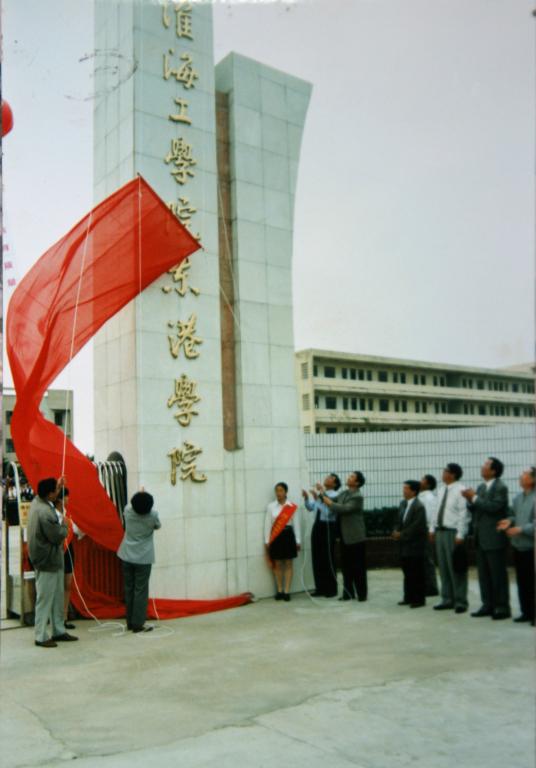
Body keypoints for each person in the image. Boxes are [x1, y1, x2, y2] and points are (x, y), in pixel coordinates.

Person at [27, 476, 78, 647]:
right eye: (56, 491)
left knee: (56, 596)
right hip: (47, 560)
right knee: (45, 598)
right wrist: (65, 524)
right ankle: (40, 635)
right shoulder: (46, 513)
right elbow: (58, 536)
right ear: (50, 495)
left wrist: (58, 483)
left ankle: (58, 630)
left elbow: (47, 492)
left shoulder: (37, 502)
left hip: (50, 559)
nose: (59, 493)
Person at [462, 457, 511, 620]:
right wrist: (470, 500)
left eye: (485, 465)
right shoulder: (482, 486)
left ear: (493, 471)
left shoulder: (501, 487)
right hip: (481, 538)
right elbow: (478, 508)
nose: (482, 467)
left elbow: (494, 507)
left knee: (497, 574)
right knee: (483, 574)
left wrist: (474, 498)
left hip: (494, 537)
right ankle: (487, 604)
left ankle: (502, 607)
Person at [117, 490, 161, 632]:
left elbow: (132, 504)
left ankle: (129, 621)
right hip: (143, 557)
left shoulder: (128, 511)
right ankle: (138, 623)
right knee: (140, 590)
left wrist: (140, 494)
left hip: (127, 554)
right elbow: (158, 526)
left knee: (129, 588)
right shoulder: (153, 515)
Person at [429, 463, 469, 614]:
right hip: (440, 532)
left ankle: (460, 601)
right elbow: (435, 511)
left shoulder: (461, 490)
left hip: (453, 533)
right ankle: (447, 598)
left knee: (456, 568)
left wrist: (460, 534)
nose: (442, 473)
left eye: (445, 471)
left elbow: (463, 514)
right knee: (444, 567)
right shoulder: (441, 490)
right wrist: (432, 529)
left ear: (453, 474)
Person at [497, 467, 535, 624]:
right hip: (518, 545)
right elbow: (513, 514)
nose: (520, 477)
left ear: (532, 480)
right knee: (522, 580)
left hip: (532, 546)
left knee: (533, 581)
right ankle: (526, 612)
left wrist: (520, 528)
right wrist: (509, 521)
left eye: (523, 475)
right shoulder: (518, 497)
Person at [322, 471, 367, 601]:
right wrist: (320, 493)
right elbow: (331, 499)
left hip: (355, 536)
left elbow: (344, 509)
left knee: (358, 567)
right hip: (344, 535)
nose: (349, 477)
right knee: (346, 566)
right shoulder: (344, 493)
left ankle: (362, 594)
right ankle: (348, 593)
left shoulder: (357, 496)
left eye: (352, 477)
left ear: (357, 482)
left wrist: (328, 502)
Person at [302, 473, 341, 597]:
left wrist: (320, 495)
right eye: (327, 476)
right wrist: (307, 499)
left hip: (328, 526)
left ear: (334, 484)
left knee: (327, 557)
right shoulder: (321, 495)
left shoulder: (335, 495)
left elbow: (329, 512)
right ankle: (320, 588)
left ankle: (331, 588)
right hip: (317, 526)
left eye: (330, 478)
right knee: (317, 557)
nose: (327, 478)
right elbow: (311, 508)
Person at [392, 481, 428, 608]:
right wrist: (396, 530)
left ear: (414, 491)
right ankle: (408, 597)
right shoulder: (403, 503)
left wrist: (401, 534)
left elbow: (416, 526)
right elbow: (398, 520)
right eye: (404, 488)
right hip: (404, 544)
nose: (404, 491)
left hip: (415, 544)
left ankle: (419, 599)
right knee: (407, 571)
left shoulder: (419, 506)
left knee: (416, 572)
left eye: (406, 489)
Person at [264, 482, 301, 601]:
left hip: (288, 535)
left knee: (289, 563)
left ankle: (287, 591)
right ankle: (279, 590)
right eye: (277, 491)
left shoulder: (292, 506)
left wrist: (298, 540)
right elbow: (267, 524)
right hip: (276, 537)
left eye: (281, 490)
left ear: (286, 492)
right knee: (278, 564)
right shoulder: (271, 506)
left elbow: (296, 524)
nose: (278, 493)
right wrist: (267, 540)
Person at [55, 487, 84, 630]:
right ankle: (55, 618)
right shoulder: (52, 514)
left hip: (68, 550)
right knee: (55, 585)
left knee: (67, 584)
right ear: (60, 499)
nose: (68, 499)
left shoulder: (70, 514)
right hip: (56, 551)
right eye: (66, 497)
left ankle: (64, 617)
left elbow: (79, 531)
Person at [418, 474, 439, 597]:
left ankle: (431, 587)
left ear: (429, 484)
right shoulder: (421, 496)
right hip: (420, 530)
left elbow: (432, 517)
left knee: (428, 559)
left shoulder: (430, 498)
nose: (420, 482)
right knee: (422, 559)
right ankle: (424, 585)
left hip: (426, 530)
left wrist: (431, 531)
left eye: (422, 480)